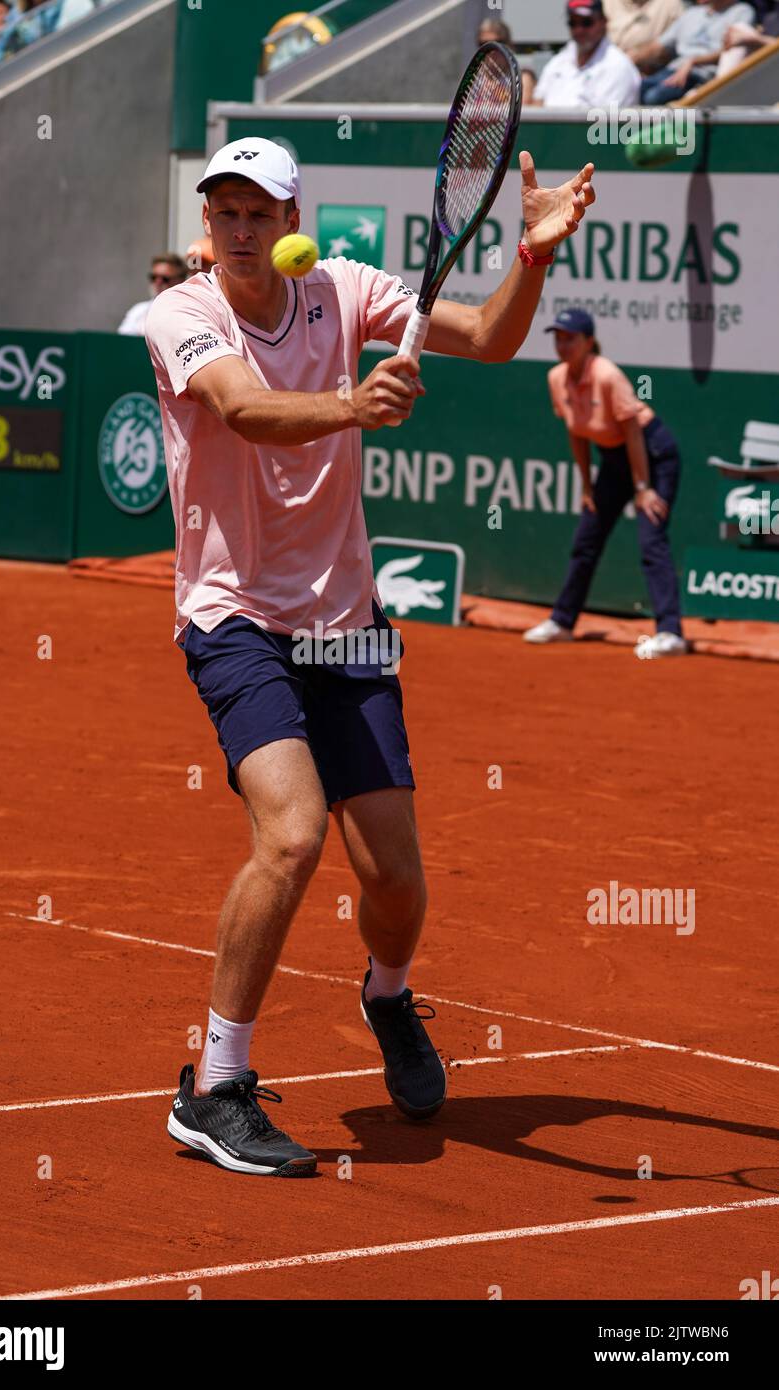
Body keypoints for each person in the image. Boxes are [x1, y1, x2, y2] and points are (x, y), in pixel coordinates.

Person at [144, 135, 597, 1176]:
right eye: (225, 213)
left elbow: (483, 334)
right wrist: (351, 404)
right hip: (235, 617)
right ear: (207, 224)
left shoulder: (343, 291)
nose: (241, 231)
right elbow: (242, 410)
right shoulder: (184, 313)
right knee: (293, 835)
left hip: (344, 621)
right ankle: (213, 1085)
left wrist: (529, 257)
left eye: (260, 213)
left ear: (291, 220)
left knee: (393, 875)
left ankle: (387, 997)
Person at [524, 308, 686, 659]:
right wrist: (586, 484)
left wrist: (644, 488)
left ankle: (671, 633)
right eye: (558, 338)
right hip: (613, 461)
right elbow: (577, 433)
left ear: (589, 342)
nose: (562, 345)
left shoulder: (608, 375)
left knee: (651, 539)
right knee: (587, 540)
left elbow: (632, 432)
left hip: (652, 455)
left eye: (570, 338)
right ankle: (562, 623)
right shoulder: (556, 378)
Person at [633, 0, 756, 104]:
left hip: (704, 76)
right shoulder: (692, 13)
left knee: (653, 97)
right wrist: (629, 61)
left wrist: (693, 62)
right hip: (673, 70)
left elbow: (733, 50)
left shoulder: (742, 12)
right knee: (634, 90)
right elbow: (659, 46)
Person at [529, 0, 641, 107]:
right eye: (572, 23)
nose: (579, 30)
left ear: (604, 22)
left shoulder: (618, 66)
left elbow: (605, 123)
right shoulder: (558, 61)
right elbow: (538, 102)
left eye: (586, 23)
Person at [117, 254, 187, 336]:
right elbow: (123, 341)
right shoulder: (138, 310)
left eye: (165, 279)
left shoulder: (188, 311)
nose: (158, 282)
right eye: (153, 277)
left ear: (181, 281)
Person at [477, 15, 537, 104]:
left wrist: (499, 93)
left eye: (497, 43)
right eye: (484, 44)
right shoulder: (472, 79)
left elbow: (523, 111)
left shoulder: (523, 78)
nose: (491, 50)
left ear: (509, 45)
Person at [716, 3, 779, 76]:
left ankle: (723, 83)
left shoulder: (744, 11)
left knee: (742, 29)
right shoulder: (771, 18)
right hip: (766, 66)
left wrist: (752, 39)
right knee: (739, 29)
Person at [602, 0, 684, 55]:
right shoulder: (605, 3)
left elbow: (682, 42)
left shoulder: (670, 4)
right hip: (602, 64)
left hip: (650, 72)